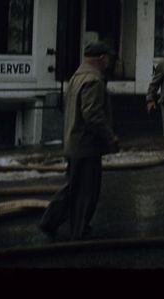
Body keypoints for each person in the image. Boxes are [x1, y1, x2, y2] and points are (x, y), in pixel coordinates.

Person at [39, 41, 120, 240]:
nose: (110, 62)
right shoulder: (93, 80)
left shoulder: (78, 76)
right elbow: (92, 116)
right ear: (101, 58)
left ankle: (54, 222)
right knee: (86, 191)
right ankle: (77, 229)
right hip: (86, 145)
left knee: (76, 187)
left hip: (75, 142)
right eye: (108, 58)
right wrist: (110, 138)